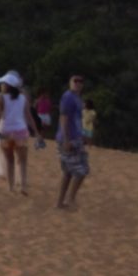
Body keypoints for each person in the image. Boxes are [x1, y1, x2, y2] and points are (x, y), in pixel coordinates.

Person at [0, 70, 34, 196]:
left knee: (10, 161)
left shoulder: (0, 97)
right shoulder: (23, 97)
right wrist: (36, 131)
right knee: (22, 161)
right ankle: (24, 185)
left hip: (6, 132)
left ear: (7, 85)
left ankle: (11, 187)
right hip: (21, 131)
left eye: (3, 83)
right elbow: (28, 116)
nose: (1, 85)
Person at [56, 73, 92, 210]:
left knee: (68, 172)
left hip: (74, 139)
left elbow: (76, 120)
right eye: (75, 80)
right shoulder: (68, 97)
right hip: (69, 139)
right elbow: (63, 117)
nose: (78, 83)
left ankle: (60, 202)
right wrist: (66, 140)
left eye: (80, 81)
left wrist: (82, 136)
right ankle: (71, 199)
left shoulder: (77, 99)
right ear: (70, 82)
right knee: (82, 170)